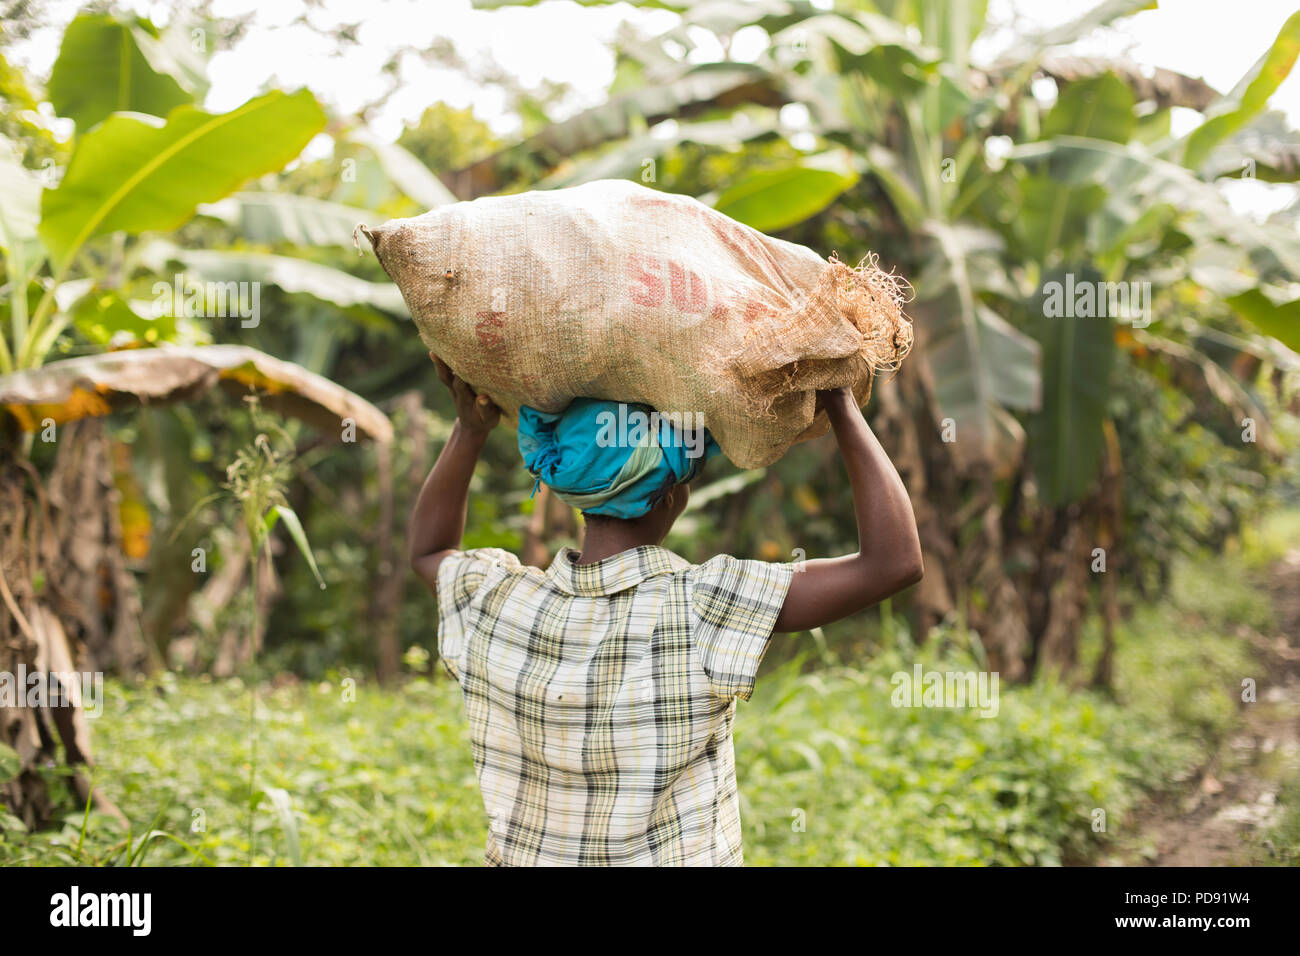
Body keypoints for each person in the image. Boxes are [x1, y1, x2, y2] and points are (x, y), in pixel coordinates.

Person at [409, 353, 923, 866]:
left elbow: (428, 552)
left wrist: (467, 431)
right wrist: (838, 400)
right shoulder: (701, 605)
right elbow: (893, 563)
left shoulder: (498, 601)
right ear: (672, 496)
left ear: (579, 493)